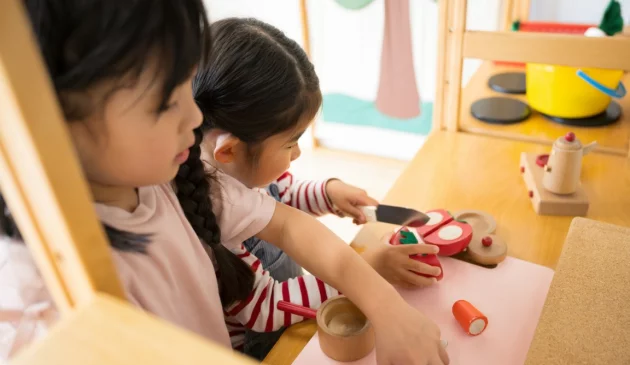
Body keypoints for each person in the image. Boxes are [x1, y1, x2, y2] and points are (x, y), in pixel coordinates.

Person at [0, 2, 448, 364]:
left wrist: (385, 302)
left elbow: (286, 214)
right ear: (54, 122)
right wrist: (367, 271)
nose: (193, 118)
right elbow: (266, 303)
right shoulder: (41, 312)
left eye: (185, 89)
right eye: (164, 103)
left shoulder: (176, 177)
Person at [194, 18, 443, 360]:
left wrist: (329, 193)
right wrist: (369, 269)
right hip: (269, 346)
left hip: (295, 319)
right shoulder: (211, 216)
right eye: (290, 143)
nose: (297, 153)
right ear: (230, 150)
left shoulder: (239, 168)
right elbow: (267, 307)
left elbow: (283, 194)